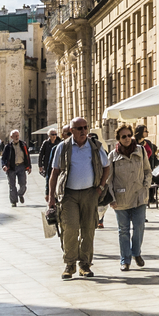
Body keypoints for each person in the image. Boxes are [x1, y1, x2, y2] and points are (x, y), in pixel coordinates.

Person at [47, 117, 111, 279]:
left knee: (88, 229)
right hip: (68, 194)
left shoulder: (95, 147)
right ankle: (70, 264)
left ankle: (85, 265)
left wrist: (100, 187)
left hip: (90, 193)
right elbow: (54, 173)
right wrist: (51, 198)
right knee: (69, 228)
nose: (83, 131)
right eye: (79, 128)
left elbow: (107, 167)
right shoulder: (63, 147)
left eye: (85, 127)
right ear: (72, 131)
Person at [109, 123, 151, 271]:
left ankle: (136, 253)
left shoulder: (140, 151)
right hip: (121, 198)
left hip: (139, 196)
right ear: (118, 139)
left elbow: (147, 171)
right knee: (123, 230)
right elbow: (108, 179)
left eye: (129, 135)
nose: (127, 139)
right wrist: (111, 198)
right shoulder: (113, 156)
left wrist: (146, 185)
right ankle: (125, 260)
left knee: (139, 226)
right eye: (123, 137)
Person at [0, 130, 30, 206]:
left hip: (21, 166)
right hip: (11, 168)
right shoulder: (8, 147)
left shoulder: (23, 144)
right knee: (12, 186)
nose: (17, 137)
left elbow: (27, 156)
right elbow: (3, 158)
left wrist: (29, 166)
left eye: (18, 135)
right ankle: (13, 202)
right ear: (11, 137)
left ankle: (20, 194)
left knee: (23, 184)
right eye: (15, 136)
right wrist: (4, 165)